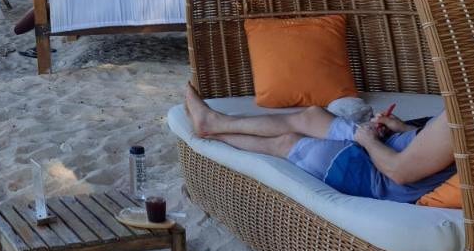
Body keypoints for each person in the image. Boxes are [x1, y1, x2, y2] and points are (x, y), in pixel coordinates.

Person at [184, 84, 454, 203]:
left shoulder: (461, 126)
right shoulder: (464, 115)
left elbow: (399, 172)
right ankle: (215, 122)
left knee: (287, 142)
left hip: (373, 175)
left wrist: (368, 141)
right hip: (384, 147)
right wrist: (402, 128)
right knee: (312, 115)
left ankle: (212, 131)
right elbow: (432, 147)